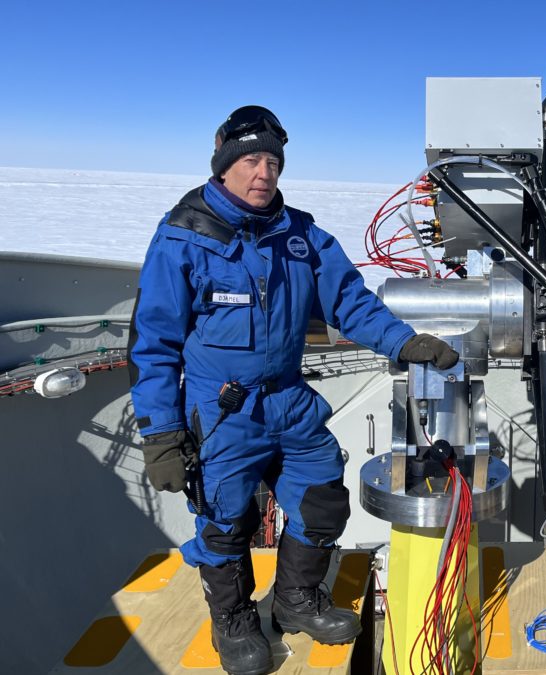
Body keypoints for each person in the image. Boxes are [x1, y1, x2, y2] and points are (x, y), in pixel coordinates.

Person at [129, 105, 458, 675]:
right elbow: (154, 342)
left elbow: (349, 303)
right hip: (221, 408)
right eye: (251, 160)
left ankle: (296, 601)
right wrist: (161, 434)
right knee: (224, 517)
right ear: (225, 165)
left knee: (322, 496)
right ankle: (233, 620)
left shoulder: (301, 236)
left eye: (273, 162)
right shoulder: (182, 238)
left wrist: (403, 343)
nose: (263, 173)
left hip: (289, 398)